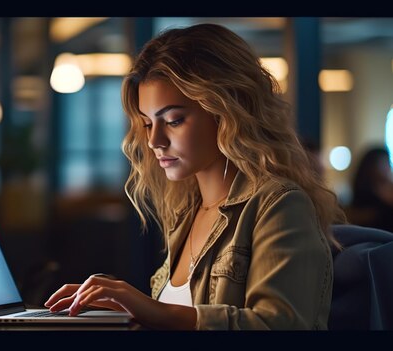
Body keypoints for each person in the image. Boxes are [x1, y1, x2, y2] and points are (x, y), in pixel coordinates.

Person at [44, 23, 346, 330]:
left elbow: (280, 326)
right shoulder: (187, 211)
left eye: (173, 120)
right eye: (148, 124)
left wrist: (153, 309)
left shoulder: (280, 205)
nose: (154, 141)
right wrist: (119, 306)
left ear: (227, 111)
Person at [347, 146, 393, 232]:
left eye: (389, 163)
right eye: (385, 162)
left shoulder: (388, 188)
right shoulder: (365, 195)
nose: (388, 168)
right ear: (371, 166)